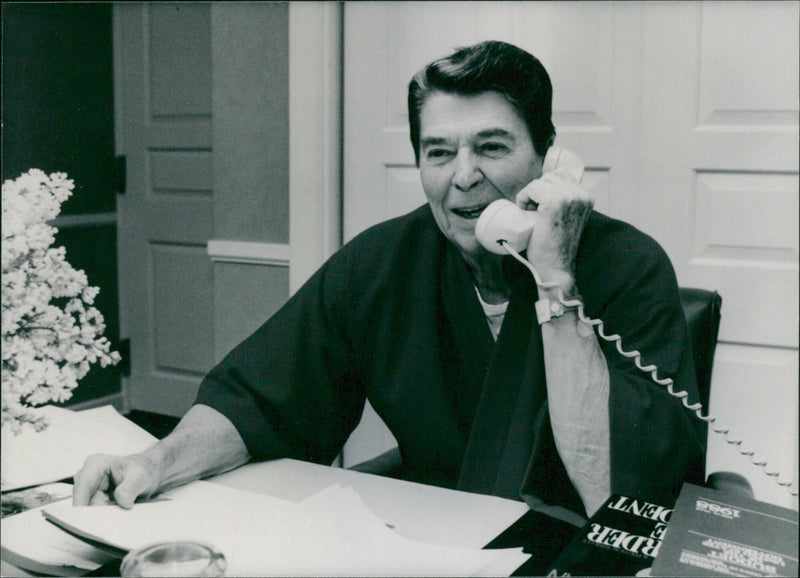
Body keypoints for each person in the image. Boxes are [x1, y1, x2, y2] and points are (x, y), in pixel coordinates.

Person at [74, 40, 704, 521]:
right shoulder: (384, 261)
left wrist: (555, 280)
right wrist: (153, 461)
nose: (463, 177)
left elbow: (620, 495)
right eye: (439, 152)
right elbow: (262, 397)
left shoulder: (627, 266)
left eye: (491, 147)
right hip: (437, 538)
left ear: (547, 156)